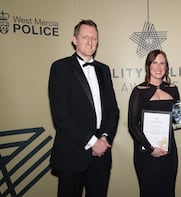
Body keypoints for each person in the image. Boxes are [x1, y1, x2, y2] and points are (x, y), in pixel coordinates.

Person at [48, 19, 119, 197]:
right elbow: (61, 116)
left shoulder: (104, 70)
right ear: (74, 39)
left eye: (94, 38)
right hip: (72, 155)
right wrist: (92, 142)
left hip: (101, 157)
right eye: (85, 37)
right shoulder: (60, 68)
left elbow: (113, 110)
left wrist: (104, 138)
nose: (90, 42)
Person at [128, 50, 181, 197]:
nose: (158, 67)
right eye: (154, 62)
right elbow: (133, 125)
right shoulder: (139, 91)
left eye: (162, 63)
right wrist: (151, 148)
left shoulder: (172, 89)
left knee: (168, 191)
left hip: (168, 152)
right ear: (148, 66)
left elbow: (175, 119)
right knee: (148, 192)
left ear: (166, 67)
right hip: (146, 153)